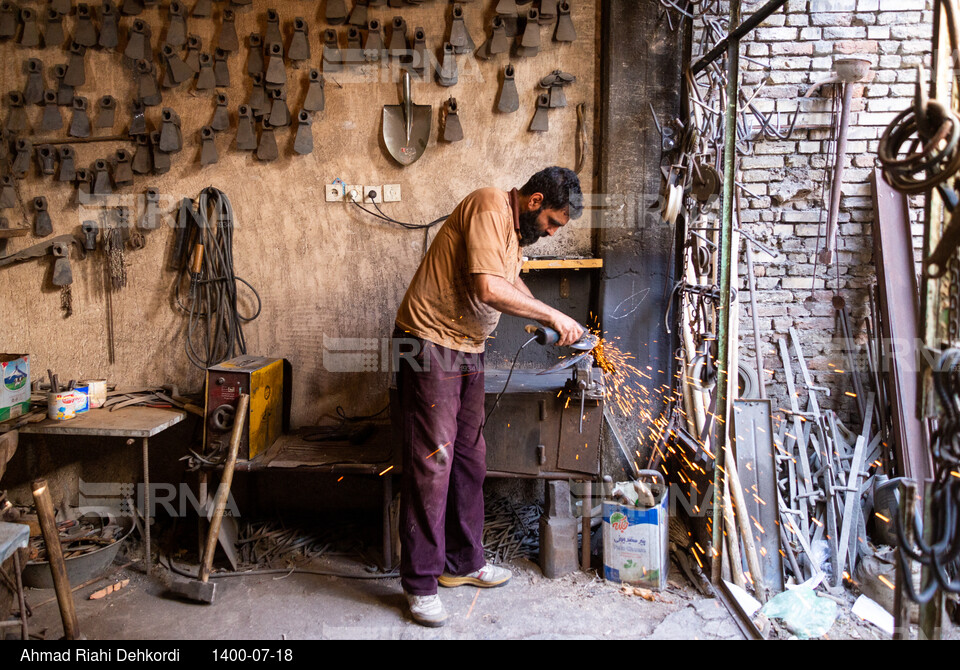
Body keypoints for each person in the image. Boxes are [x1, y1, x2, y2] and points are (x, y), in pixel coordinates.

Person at [393, 166, 584, 627]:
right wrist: (555, 314)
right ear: (535, 201)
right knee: (433, 461)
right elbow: (486, 286)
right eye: (554, 222)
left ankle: (462, 564)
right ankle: (420, 583)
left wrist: (541, 318)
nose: (554, 232)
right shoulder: (487, 205)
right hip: (429, 343)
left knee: (469, 458)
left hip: (466, 348)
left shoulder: (514, 233)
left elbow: (509, 281)